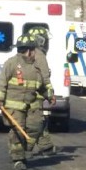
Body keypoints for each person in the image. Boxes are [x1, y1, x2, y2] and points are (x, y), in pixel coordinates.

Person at [0, 34, 52, 170]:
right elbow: (2, 81)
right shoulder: (11, 63)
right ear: (30, 50)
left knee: (35, 126)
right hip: (14, 106)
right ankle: (18, 159)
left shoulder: (36, 66)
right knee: (17, 132)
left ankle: (26, 149)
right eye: (34, 51)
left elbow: (41, 84)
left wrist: (49, 95)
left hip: (31, 105)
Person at [25, 26, 58, 157]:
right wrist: (50, 94)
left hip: (23, 94)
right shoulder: (40, 55)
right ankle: (24, 149)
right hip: (35, 95)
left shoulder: (25, 53)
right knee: (36, 122)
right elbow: (45, 78)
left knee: (38, 120)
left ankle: (46, 147)